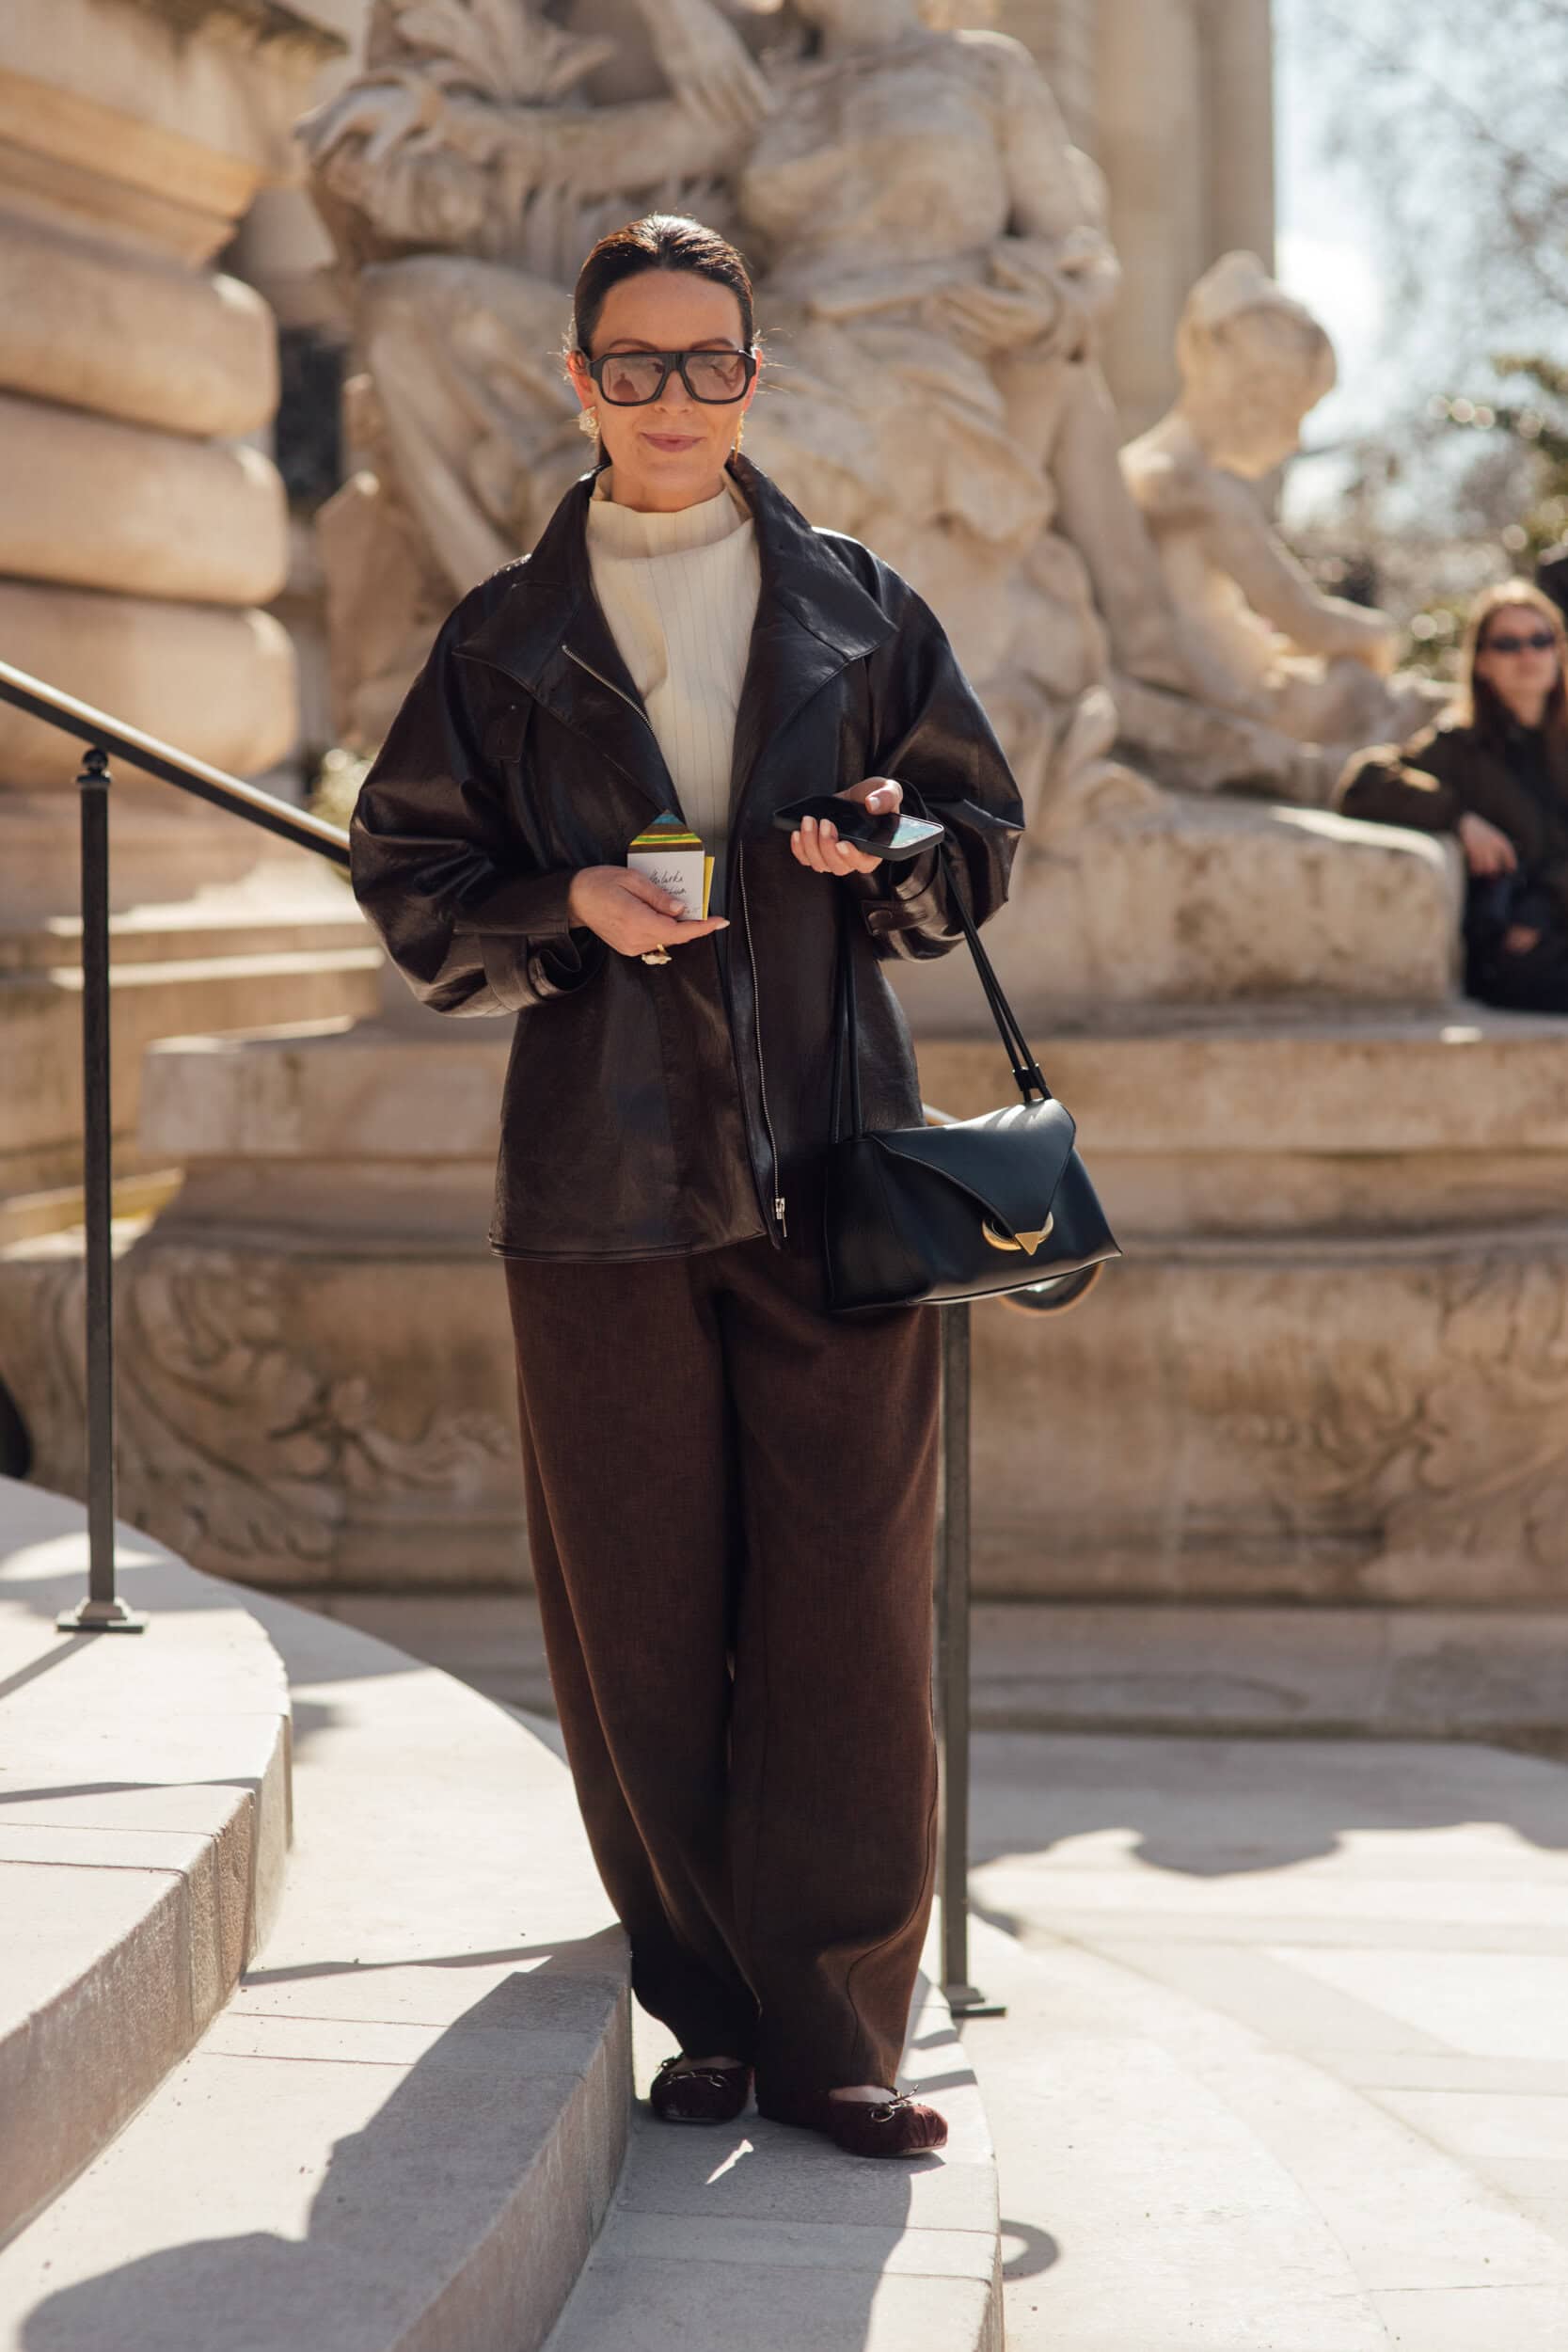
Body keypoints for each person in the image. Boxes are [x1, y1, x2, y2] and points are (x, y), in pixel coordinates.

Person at [349, 214, 1023, 2156]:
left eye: (703, 361)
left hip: (836, 1157)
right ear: (581, 383)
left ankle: (835, 2030)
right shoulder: (499, 633)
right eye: (628, 364)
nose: (667, 397)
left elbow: (974, 828)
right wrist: (558, 899)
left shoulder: (856, 601)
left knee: (846, 1600)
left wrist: (889, 849)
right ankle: (701, 1998)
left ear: (752, 376)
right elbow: (410, 878)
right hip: (598, 1176)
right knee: (637, 1607)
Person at [1337, 580, 1568, 1013]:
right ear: (1481, 662)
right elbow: (1364, 782)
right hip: (1515, 954)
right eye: (1508, 644)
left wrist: (1541, 908)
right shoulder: (1460, 745)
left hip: (1547, 921)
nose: (1528, 656)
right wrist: (1459, 818)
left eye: (1540, 640)